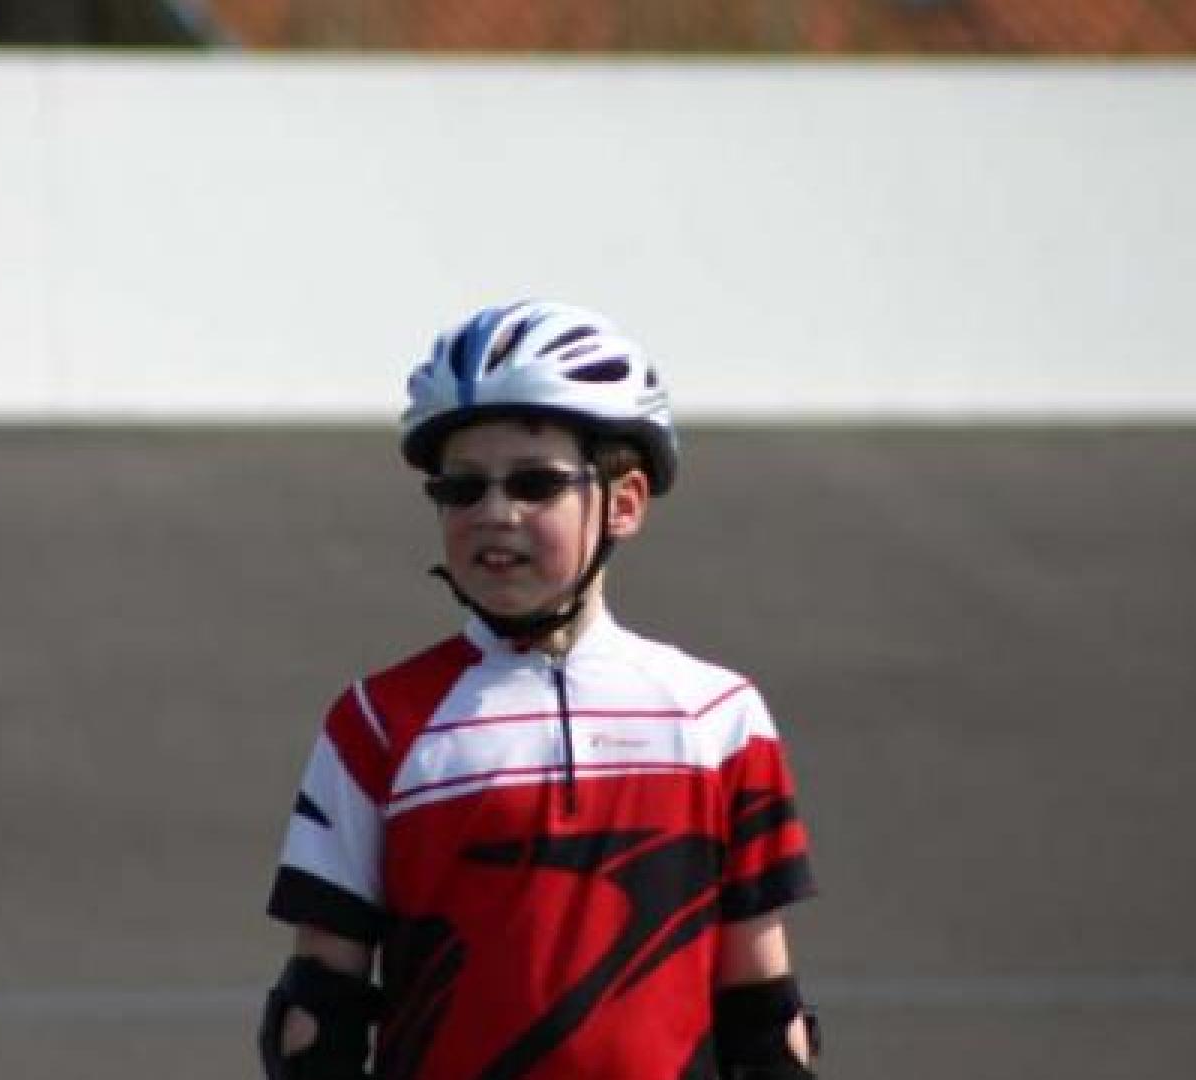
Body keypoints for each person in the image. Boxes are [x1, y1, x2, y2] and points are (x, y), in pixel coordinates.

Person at [261, 300, 821, 1079]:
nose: (495, 513)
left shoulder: (720, 717)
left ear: (624, 502)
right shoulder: (377, 723)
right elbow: (318, 1009)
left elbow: (762, 1007)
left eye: (534, 484)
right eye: (462, 489)